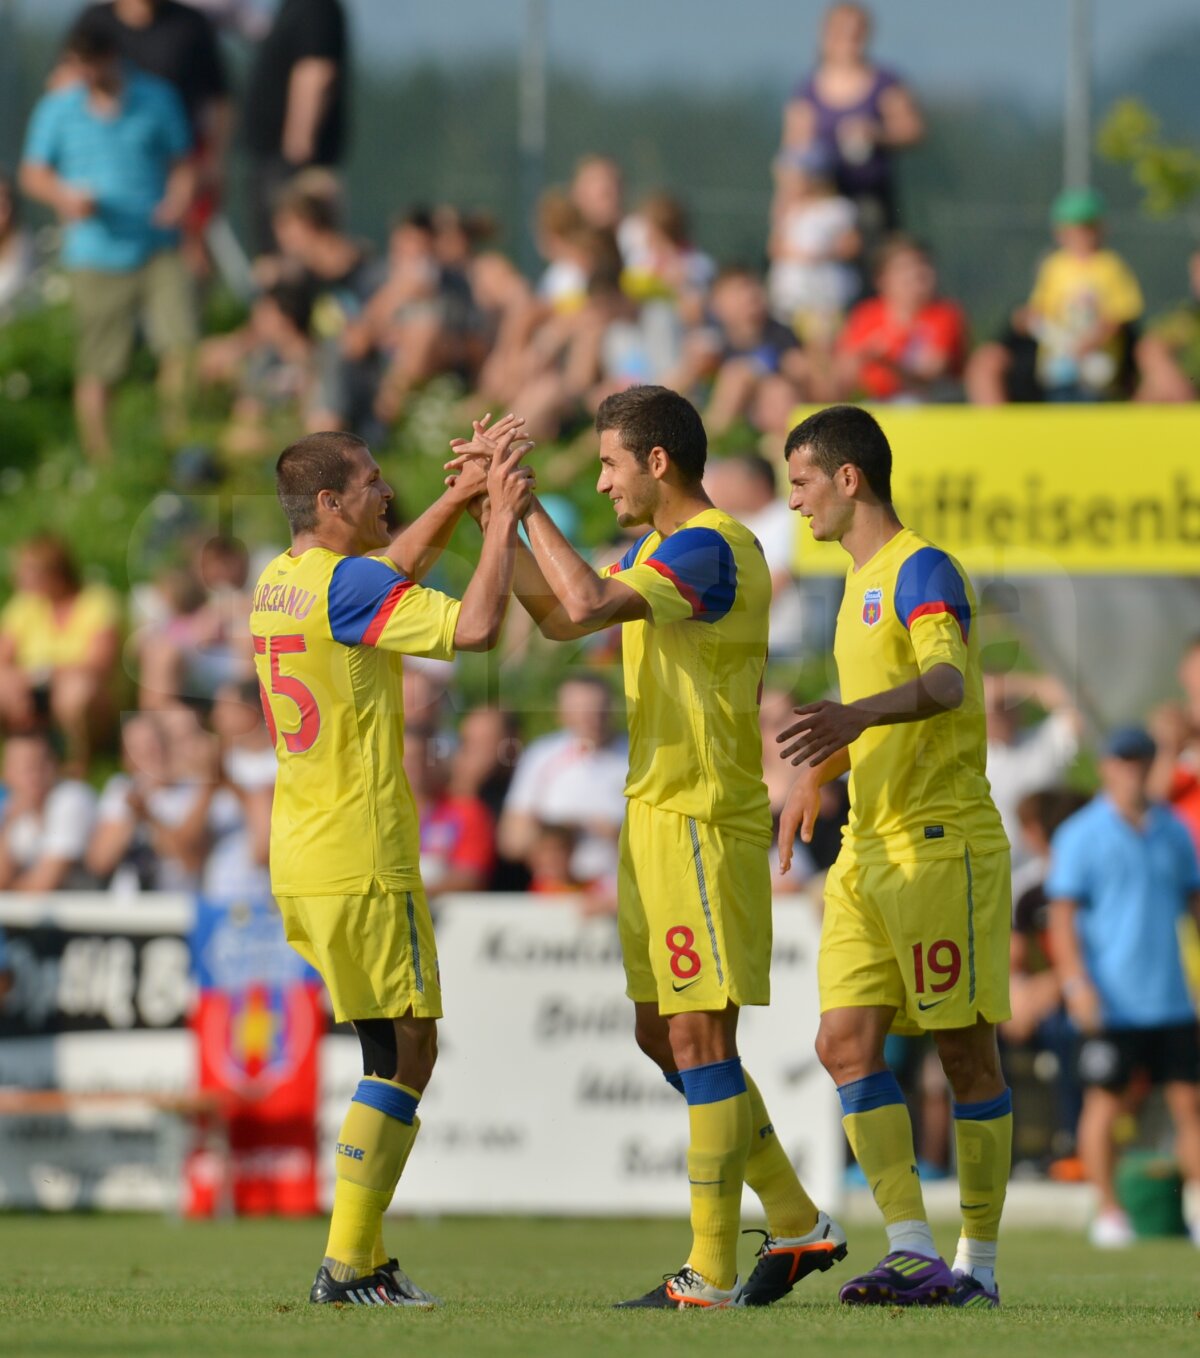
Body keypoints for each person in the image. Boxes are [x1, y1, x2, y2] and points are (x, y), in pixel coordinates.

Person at [449, 386, 845, 1310]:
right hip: (655, 819)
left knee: (701, 1034)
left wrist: (523, 501)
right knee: (659, 1034)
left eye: (609, 464)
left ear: (657, 462)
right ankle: (795, 1220)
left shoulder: (713, 546)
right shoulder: (658, 550)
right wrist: (502, 511)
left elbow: (581, 600)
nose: (603, 479)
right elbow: (559, 616)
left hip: (705, 819)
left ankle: (705, 1272)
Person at [251, 416, 532, 1307]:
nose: (388, 492)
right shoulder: (344, 590)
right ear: (329, 501)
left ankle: (359, 1262)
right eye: (372, 482)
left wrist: (455, 495)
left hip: (303, 849)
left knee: (393, 1047)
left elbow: (388, 571)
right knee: (407, 1052)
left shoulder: (284, 579)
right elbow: (481, 625)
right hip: (364, 853)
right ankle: (349, 1265)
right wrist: (497, 519)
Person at [777, 403, 1011, 1308]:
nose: (796, 503)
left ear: (848, 479)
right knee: (842, 1044)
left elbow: (945, 683)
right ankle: (911, 1249)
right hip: (868, 850)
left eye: (801, 483)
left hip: (940, 842)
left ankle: (979, 1267)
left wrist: (853, 719)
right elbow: (872, 708)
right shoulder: (854, 581)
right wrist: (818, 775)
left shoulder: (920, 568)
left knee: (964, 1053)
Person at [1045, 726, 1200, 1249]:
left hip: (1170, 997)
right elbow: (1062, 919)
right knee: (1105, 1106)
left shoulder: (1174, 830)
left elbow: (1193, 906)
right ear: (1107, 766)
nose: (1132, 769)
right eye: (1123, 760)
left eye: (1141, 759)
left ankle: (1197, 1207)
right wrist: (1075, 984)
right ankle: (1109, 1209)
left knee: (1189, 1105)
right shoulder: (1081, 834)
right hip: (1111, 1001)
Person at [19, 23, 196, 460]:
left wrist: (178, 200)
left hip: (157, 241)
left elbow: (185, 165)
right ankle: (104, 461)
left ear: (112, 57)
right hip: (96, 249)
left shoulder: (157, 99)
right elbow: (33, 174)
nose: (88, 74)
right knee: (100, 363)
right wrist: (65, 196)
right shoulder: (58, 109)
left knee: (181, 344)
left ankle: (179, 443)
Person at [68, 1, 231, 270]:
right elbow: (65, 83)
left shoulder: (190, 23)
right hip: (112, 166)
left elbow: (219, 98)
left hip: (181, 158)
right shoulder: (94, 20)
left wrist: (214, 160)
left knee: (191, 265)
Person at [782, 3, 923, 246]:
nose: (848, 41)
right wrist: (786, 210)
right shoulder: (807, 90)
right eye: (840, 33)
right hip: (820, 202)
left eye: (855, 34)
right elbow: (793, 154)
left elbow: (914, 130)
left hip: (870, 201)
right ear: (825, 35)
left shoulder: (885, 83)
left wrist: (877, 135)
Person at [0, 535, 122, 775]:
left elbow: (99, 665)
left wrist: (39, 675)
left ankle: (77, 763)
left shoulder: (97, 601)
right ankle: (21, 760)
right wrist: (16, 683)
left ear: (54, 573)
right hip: (34, 695)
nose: (18, 579)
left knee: (76, 692)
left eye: (27, 572)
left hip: (92, 699)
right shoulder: (25, 604)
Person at [497, 675, 628, 890]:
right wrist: (557, 835)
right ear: (561, 713)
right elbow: (512, 841)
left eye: (598, 709)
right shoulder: (542, 756)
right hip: (554, 892)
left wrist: (617, 833)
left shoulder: (636, 758)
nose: (592, 719)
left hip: (619, 890)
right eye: (582, 711)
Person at [242, 0, 348, 258]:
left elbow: (316, 72)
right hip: (279, 158)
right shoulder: (293, 8)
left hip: (291, 161)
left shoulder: (314, 7)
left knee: (291, 259)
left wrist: (297, 149)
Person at [1022, 188, 1143, 403]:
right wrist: (1033, 321)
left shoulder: (1111, 266)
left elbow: (1120, 315)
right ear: (1059, 233)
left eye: (1087, 228)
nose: (1080, 236)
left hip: (1097, 368)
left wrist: (1089, 343)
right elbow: (1038, 309)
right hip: (1059, 367)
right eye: (1072, 230)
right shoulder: (1054, 267)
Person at [834, 236, 968, 402]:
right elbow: (844, 371)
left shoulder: (945, 314)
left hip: (931, 405)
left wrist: (887, 363)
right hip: (875, 402)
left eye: (923, 264)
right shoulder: (866, 314)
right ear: (882, 280)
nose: (916, 273)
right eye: (904, 268)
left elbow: (930, 374)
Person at [0, 731, 98, 891]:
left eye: (41, 763)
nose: (35, 774)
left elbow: (42, 885)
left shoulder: (71, 797)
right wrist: (9, 823)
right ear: (7, 774)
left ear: (54, 765)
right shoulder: (13, 809)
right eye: (25, 767)